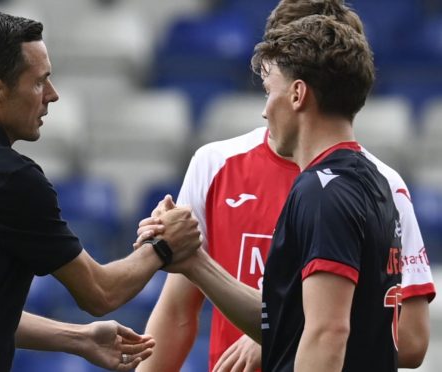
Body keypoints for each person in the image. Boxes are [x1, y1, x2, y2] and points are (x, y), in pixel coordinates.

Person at [0, 10, 202, 372]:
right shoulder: (8, 176)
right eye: (39, 82)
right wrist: (163, 246)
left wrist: (79, 339)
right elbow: (101, 292)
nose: (52, 95)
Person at [137, 1, 436, 371]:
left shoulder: (358, 187)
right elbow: (177, 313)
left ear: (299, 89)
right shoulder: (215, 164)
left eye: (269, 86)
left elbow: (399, 339)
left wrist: (286, 333)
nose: (264, 107)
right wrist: (194, 262)